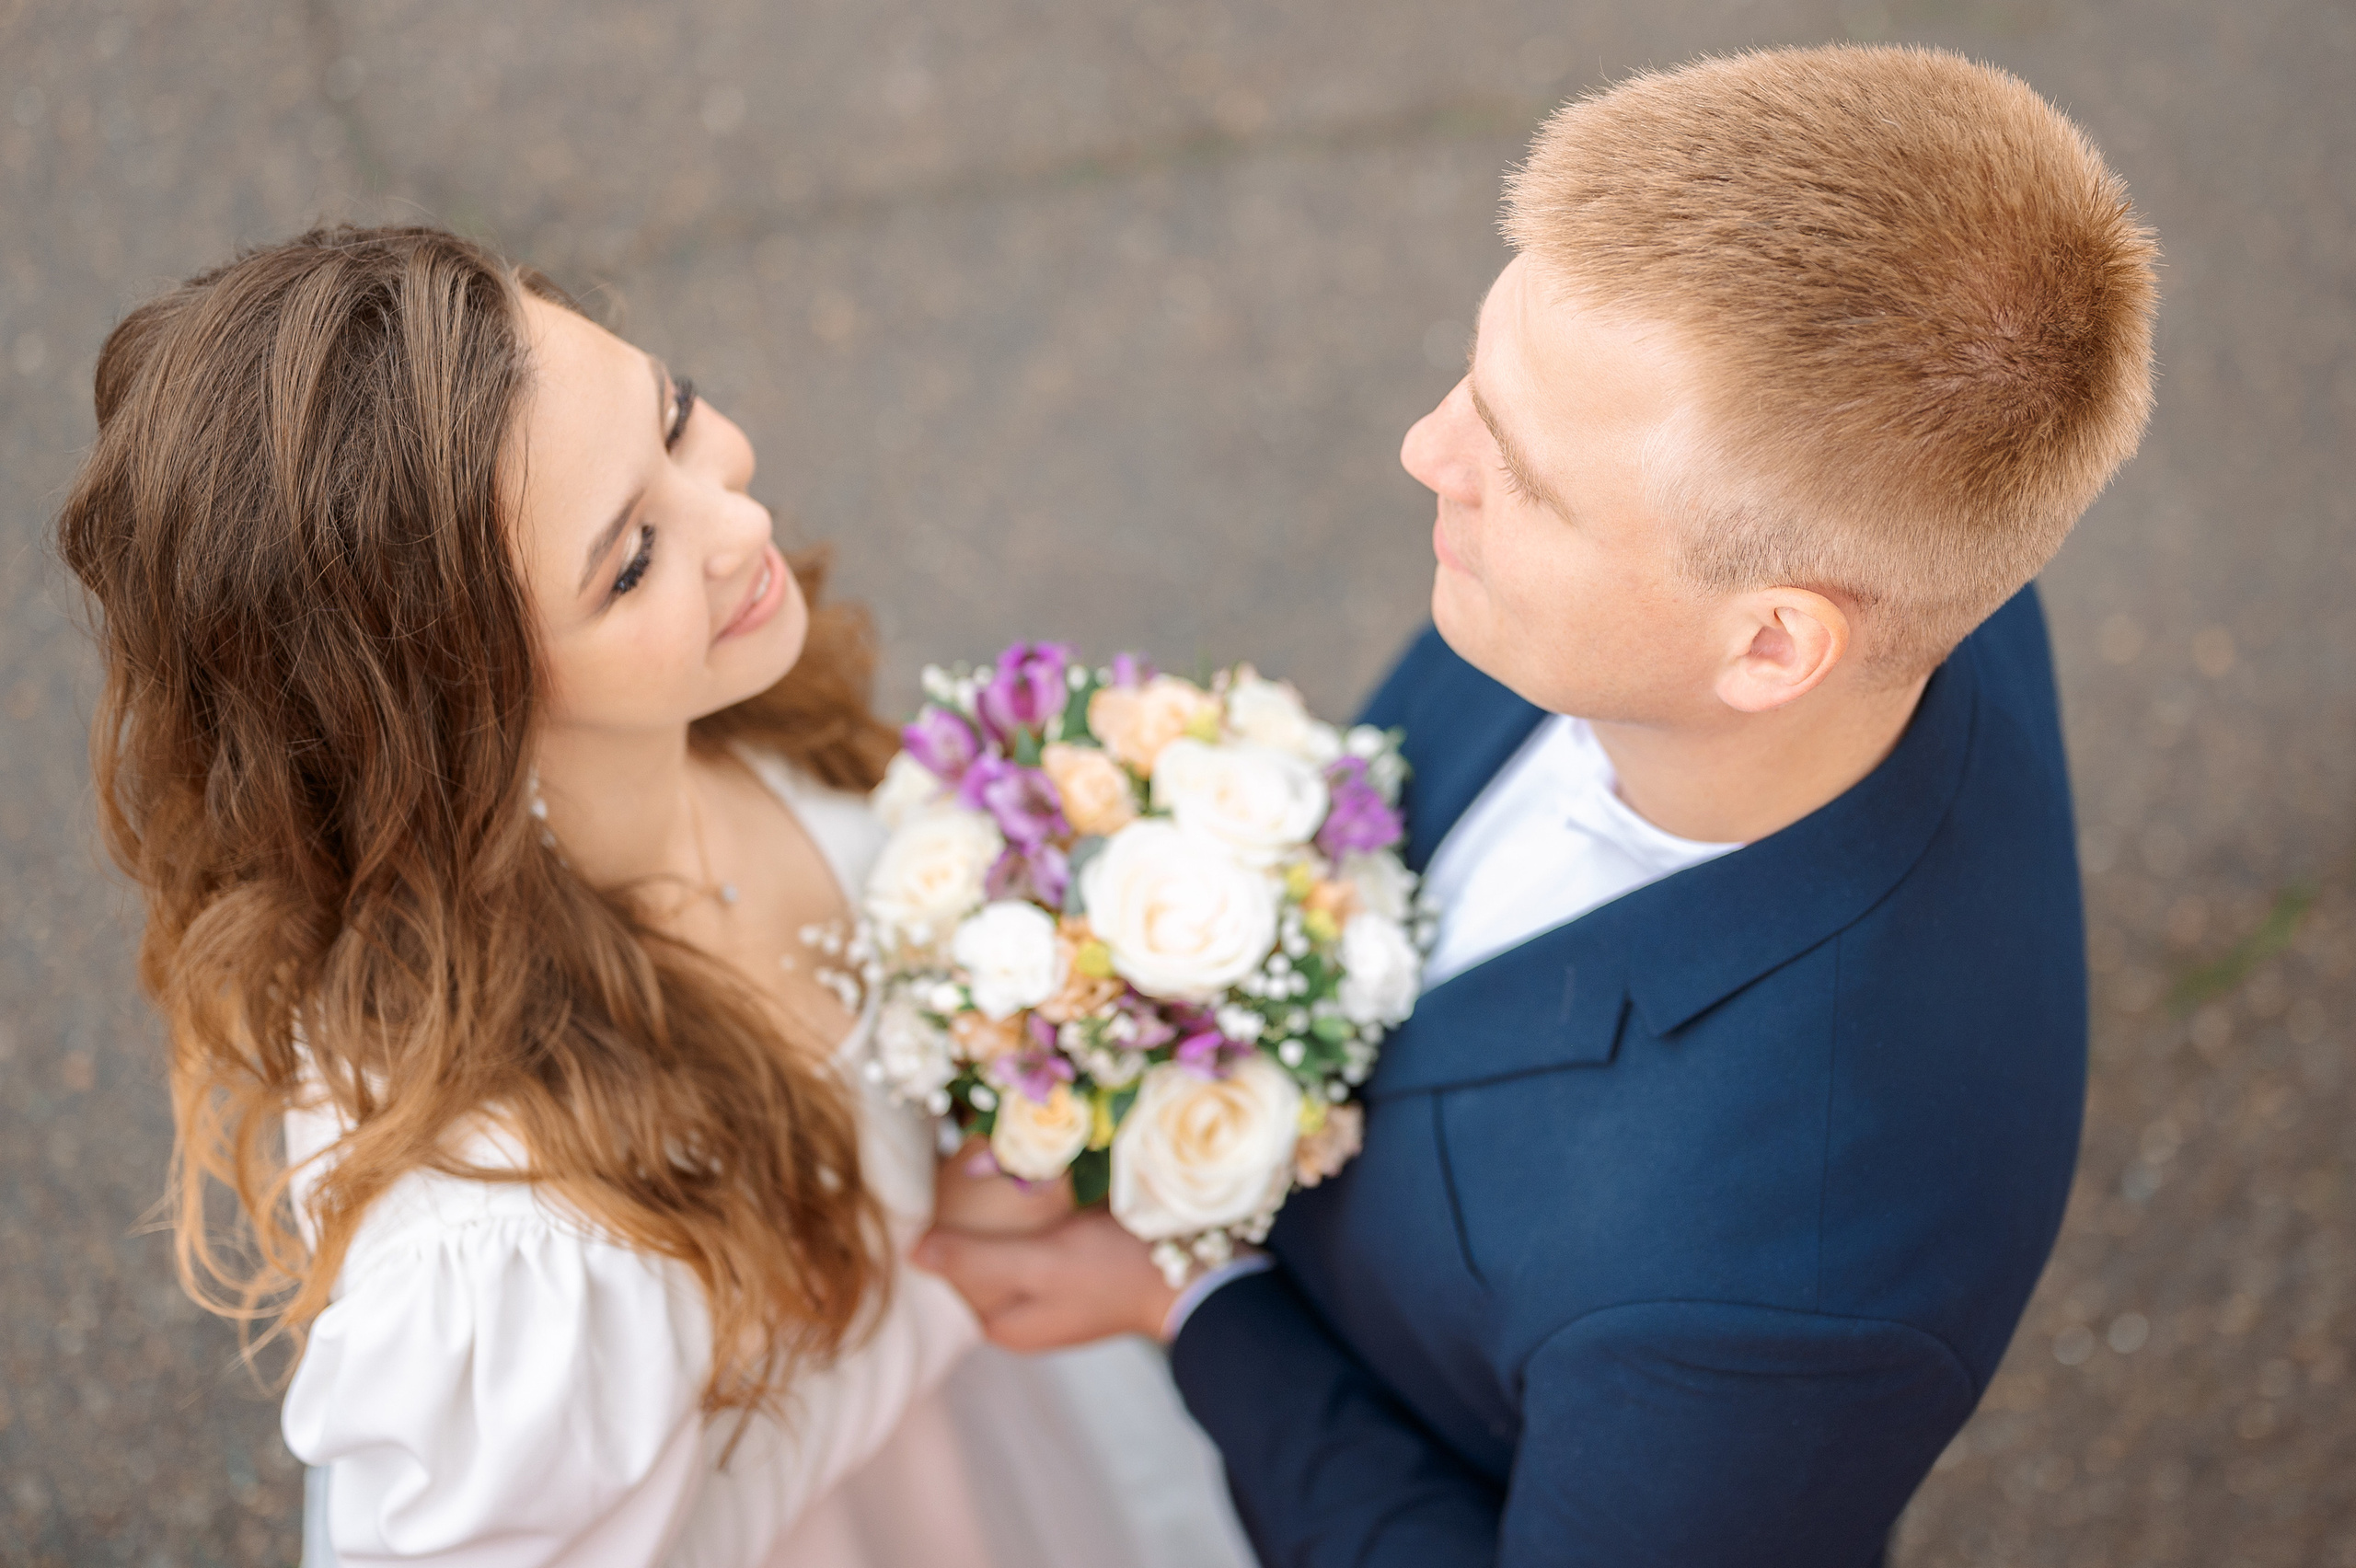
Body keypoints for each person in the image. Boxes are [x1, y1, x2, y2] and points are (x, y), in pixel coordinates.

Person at [914, 43, 2160, 1565]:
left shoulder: (1777, 1296)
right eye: (1478, 377)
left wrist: (1189, 1298)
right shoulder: (1882, 529)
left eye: (1526, 474)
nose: (1428, 450)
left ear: (1774, 643)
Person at [56, 225, 1252, 1568]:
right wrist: (944, 1292)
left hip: (1006, 1446)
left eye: (675, 419)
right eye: (629, 561)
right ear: (467, 714)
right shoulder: (509, 1246)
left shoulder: (724, 712)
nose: (740, 523)